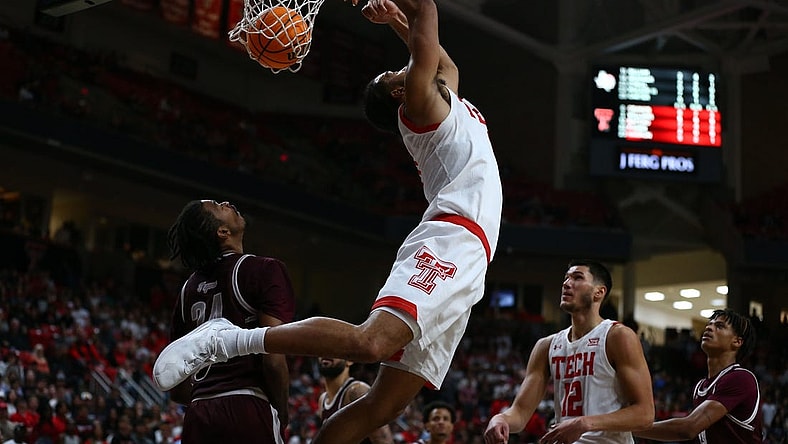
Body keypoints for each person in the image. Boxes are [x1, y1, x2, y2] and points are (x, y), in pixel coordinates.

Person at [152, 0, 503, 443]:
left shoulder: (448, 98)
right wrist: (408, 13)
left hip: (473, 255)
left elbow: (442, 59)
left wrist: (393, 18)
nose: (404, 68)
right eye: (394, 74)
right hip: (451, 236)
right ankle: (226, 340)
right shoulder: (419, 104)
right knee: (370, 343)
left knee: (382, 406)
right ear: (399, 93)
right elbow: (427, 16)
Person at [156, 199, 296, 444]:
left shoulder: (187, 289)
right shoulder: (263, 269)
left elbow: (176, 385)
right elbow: (274, 360)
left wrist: (212, 396)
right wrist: (282, 413)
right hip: (247, 405)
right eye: (219, 206)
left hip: (198, 413)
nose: (227, 203)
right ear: (222, 232)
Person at [483, 260, 654, 444]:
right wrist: (500, 419)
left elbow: (645, 413)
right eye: (566, 278)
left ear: (599, 292)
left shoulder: (617, 336)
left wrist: (584, 423)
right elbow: (520, 413)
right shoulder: (546, 346)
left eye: (577, 278)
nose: (566, 283)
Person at [634, 308, 763, 443]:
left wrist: (627, 428)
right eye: (709, 324)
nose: (709, 328)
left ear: (737, 341)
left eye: (719, 326)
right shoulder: (701, 386)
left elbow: (688, 428)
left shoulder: (741, 378)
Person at [316, 358, 393, 443]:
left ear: (349, 360)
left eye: (334, 351)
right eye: (324, 350)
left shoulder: (357, 391)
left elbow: (383, 439)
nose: (326, 354)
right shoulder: (322, 399)